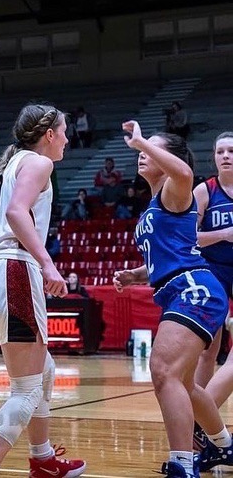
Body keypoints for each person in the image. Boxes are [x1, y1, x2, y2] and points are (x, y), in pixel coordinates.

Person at [0, 104, 85, 478]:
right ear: (49, 134)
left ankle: (44, 459)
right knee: (27, 390)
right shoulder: (37, 162)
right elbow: (17, 213)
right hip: (13, 269)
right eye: (64, 131)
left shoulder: (11, 163)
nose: (67, 138)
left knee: (42, 370)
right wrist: (48, 263)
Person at [113, 122, 233, 477]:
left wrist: (140, 142)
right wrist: (135, 275)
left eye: (150, 149)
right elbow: (167, 257)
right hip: (183, 288)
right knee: (183, 383)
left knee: (163, 370)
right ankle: (225, 446)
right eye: (140, 149)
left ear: (166, 157)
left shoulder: (175, 189)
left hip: (193, 289)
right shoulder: (155, 201)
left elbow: (184, 171)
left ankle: (183, 464)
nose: (141, 154)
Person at [192, 132, 233, 449]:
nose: (225, 156)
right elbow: (189, 237)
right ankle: (197, 415)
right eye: (220, 151)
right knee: (209, 348)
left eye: (231, 151)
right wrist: (223, 233)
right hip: (213, 271)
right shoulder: (205, 190)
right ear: (214, 157)